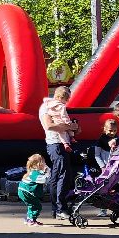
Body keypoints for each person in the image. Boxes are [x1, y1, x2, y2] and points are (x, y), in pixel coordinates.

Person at [40, 86, 82, 221]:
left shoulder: (55, 106)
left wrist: (74, 129)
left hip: (60, 144)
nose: (67, 102)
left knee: (58, 175)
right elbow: (49, 126)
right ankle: (60, 208)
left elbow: (61, 124)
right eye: (67, 98)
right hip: (55, 144)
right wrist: (70, 127)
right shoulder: (47, 107)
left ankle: (57, 208)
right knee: (62, 175)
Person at [17, 153, 48, 226]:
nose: (45, 163)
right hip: (27, 192)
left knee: (31, 205)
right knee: (37, 206)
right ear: (38, 164)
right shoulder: (35, 173)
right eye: (43, 162)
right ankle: (32, 220)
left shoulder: (32, 171)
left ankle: (29, 219)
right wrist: (47, 173)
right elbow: (44, 180)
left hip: (23, 191)